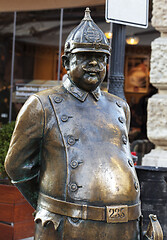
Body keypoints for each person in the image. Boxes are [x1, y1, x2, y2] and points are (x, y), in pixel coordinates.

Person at [5, 8, 142, 240]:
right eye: (85, 56)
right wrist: (50, 206)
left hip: (125, 226)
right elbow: (17, 167)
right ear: (66, 61)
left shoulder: (119, 106)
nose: (94, 64)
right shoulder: (42, 104)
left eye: (101, 59)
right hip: (67, 226)